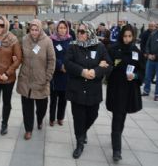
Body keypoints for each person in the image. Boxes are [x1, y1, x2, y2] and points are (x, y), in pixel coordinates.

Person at [64, 21, 112, 159]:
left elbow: (108, 65)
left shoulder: (100, 47)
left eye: (82, 31)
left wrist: (96, 71)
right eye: (78, 31)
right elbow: (68, 63)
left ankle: (83, 131)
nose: (79, 34)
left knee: (93, 115)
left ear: (90, 32)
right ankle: (79, 143)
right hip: (76, 89)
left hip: (93, 90)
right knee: (78, 118)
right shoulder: (73, 46)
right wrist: (82, 71)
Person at [106, 24, 144, 162]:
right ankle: (117, 150)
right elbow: (107, 65)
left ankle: (115, 137)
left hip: (129, 90)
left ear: (133, 36)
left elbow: (142, 71)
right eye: (125, 36)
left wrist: (135, 76)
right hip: (116, 89)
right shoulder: (114, 49)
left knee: (121, 118)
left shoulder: (136, 52)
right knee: (117, 116)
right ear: (121, 36)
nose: (127, 39)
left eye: (129, 36)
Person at [16, 19, 56, 140]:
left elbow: (52, 60)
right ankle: (28, 129)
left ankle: (39, 119)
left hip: (41, 80)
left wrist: (48, 77)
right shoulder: (24, 40)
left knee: (42, 106)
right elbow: (19, 56)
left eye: (36, 30)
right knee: (27, 107)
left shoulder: (47, 41)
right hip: (26, 80)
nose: (33, 32)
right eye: (32, 29)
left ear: (40, 29)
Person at [49, 20, 72, 126]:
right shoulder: (52, 40)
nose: (62, 30)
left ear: (67, 29)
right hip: (55, 73)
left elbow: (72, 55)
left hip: (66, 73)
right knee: (53, 98)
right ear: (57, 29)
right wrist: (60, 65)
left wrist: (66, 65)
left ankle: (60, 117)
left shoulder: (70, 39)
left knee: (63, 98)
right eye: (60, 28)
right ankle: (52, 118)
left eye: (64, 28)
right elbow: (51, 55)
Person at [142, 23, 158, 101]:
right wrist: (148, 54)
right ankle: (146, 90)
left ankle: (157, 94)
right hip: (150, 59)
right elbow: (147, 45)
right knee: (147, 76)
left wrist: (156, 56)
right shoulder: (153, 34)